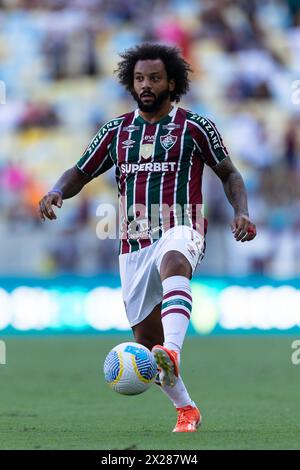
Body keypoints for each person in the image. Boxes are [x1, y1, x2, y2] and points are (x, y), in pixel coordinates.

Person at [38, 43, 257, 433]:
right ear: (130, 82)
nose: (146, 85)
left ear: (172, 82)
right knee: (146, 344)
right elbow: (80, 170)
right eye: (139, 78)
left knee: (175, 260)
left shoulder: (194, 126)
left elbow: (230, 174)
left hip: (182, 225)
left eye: (154, 78)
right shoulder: (117, 130)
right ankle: (186, 409)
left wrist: (241, 211)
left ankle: (173, 349)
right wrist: (57, 190)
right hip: (132, 244)